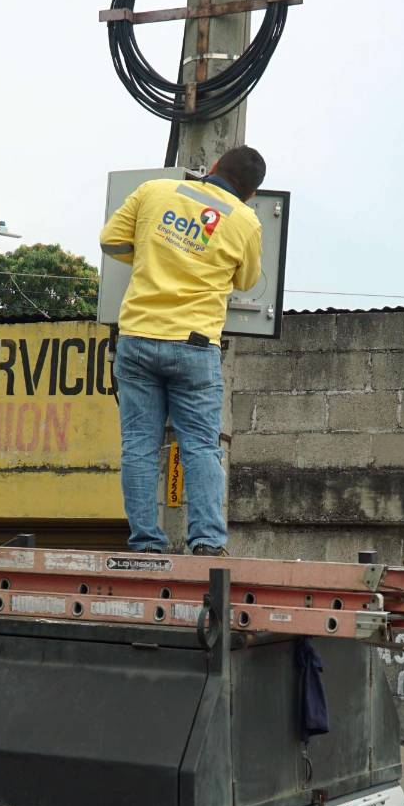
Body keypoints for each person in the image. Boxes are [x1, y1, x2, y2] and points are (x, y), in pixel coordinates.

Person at [99, 146, 265, 555]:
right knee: (201, 448)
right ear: (251, 194)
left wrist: (151, 255)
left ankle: (146, 543)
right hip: (194, 346)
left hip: (138, 337)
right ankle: (206, 542)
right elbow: (246, 281)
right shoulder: (245, 220)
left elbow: (110, 241)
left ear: (213, 167)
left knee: (139, 447)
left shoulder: (154, 190)